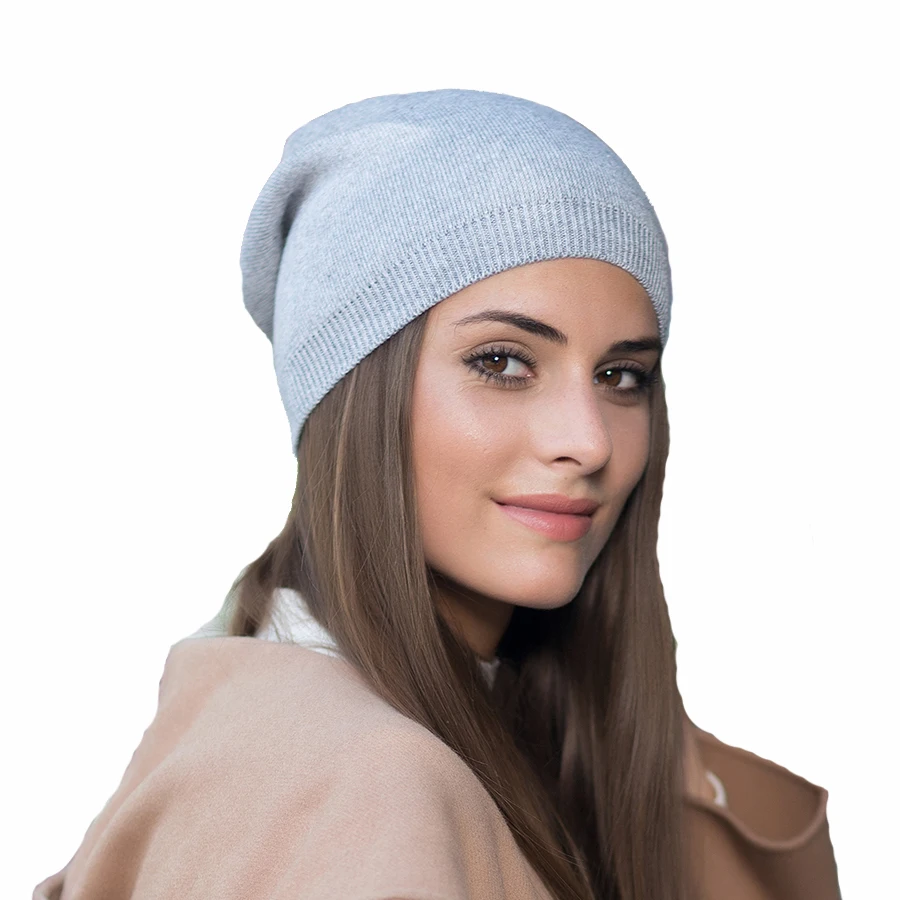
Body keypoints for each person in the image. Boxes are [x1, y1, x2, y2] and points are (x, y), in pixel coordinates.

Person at [33, 89, 841, 900]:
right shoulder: (363, 781)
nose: (590, 440)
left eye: (621, 375)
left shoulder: (311, 716)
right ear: (353, 397)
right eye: (503, 362)